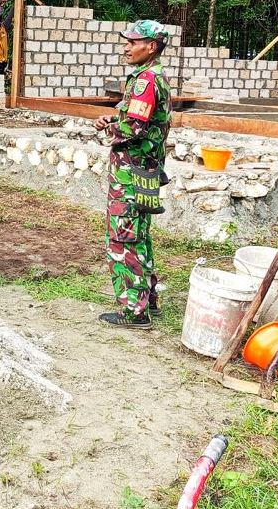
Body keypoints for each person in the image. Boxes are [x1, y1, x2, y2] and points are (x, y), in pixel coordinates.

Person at [93, 19, 172, 330]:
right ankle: (148, 299)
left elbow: (135, 127)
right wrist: (114, 115)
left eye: (133, 42)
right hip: (146, 171)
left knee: (123, 239)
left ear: (150, 47)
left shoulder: (145, 80)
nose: (126, 46)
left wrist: (112, 128)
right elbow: (143, 118)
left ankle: (134, 312)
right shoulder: (155, 77)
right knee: (140, 235)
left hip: (131, 173)